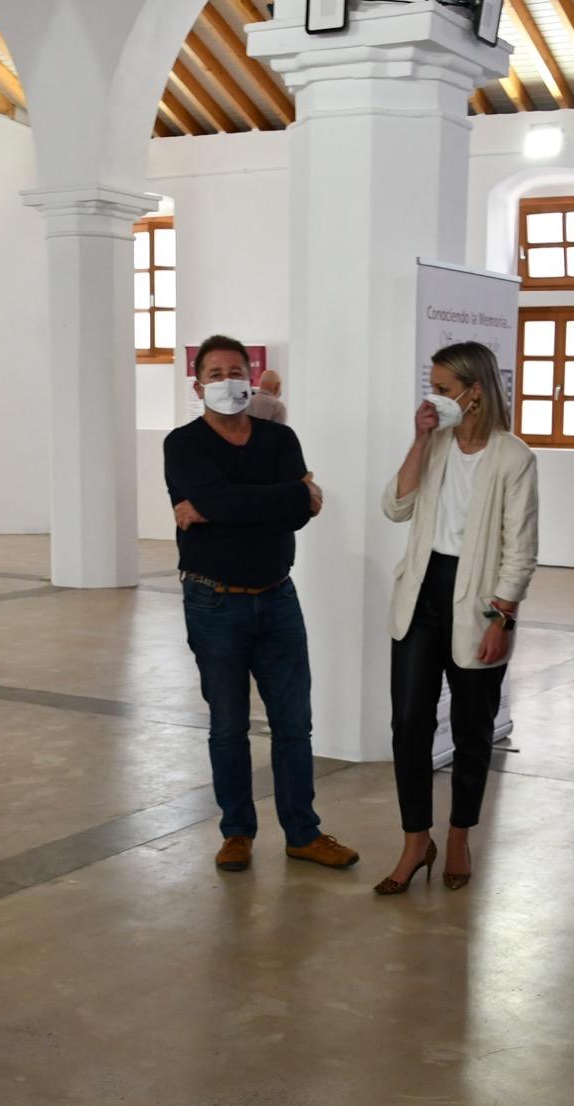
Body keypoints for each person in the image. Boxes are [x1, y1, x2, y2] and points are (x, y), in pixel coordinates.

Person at [164, 334, 359, 875]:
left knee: (294, 724)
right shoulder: (182, 445)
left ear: (251, 376)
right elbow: (295, 498)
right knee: (227, 725)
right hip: (212, 601)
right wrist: (287, 495)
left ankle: (303, 832)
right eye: (216, 372)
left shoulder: (279, 437)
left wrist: (216, 506)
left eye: (236, 370)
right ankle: (237, 833)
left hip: (277, 599)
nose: (228, 381)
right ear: (198, 382)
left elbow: (299, 511)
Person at [376, 341, 539, 895]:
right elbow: (395, 506)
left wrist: (502, 618)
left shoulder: (514, 457)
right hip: (421, 594)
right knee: (408, 724)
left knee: (472, 730)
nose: (435, 397)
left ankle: (461, 834)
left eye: (444, 389)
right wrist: (420, 439)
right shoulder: (438, 445)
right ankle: (416, 839)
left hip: (479, 602)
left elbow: (520, 549)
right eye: (433, 387)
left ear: (475, 392)